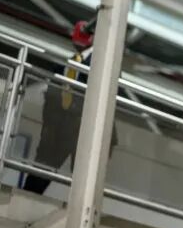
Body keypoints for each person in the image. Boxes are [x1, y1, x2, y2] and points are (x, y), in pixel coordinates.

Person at [26, 20, 116, 194]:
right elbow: (55, 90)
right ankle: (28, 194)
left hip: (82, 124)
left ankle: (80, 204)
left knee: (83, 173)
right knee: (43, 167)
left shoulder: (100, 61)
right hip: (58, 124)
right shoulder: (69, 62)